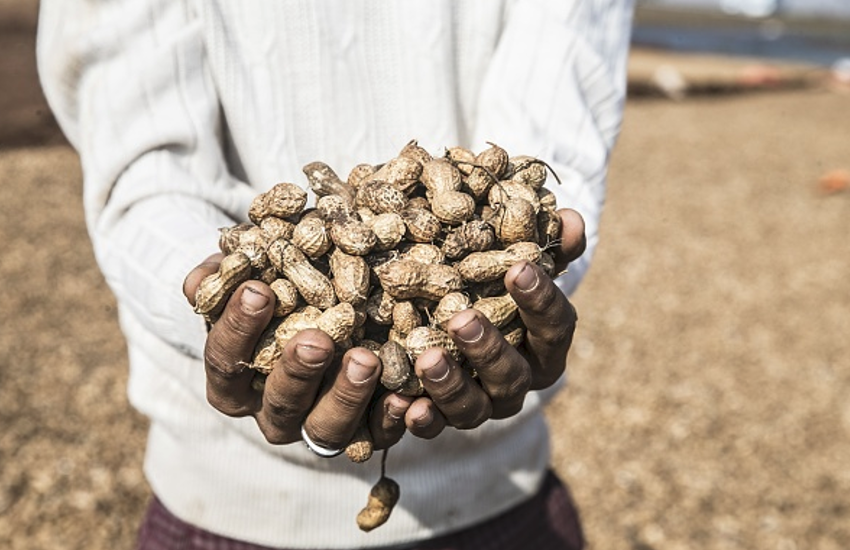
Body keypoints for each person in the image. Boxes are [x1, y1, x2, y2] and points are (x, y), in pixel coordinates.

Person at [37, 1, 634, 548]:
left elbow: (558, 111)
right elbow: (141, 162)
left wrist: (535, 268)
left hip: (501, 489)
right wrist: (214, 302)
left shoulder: (431, 226)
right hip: (226, 503)